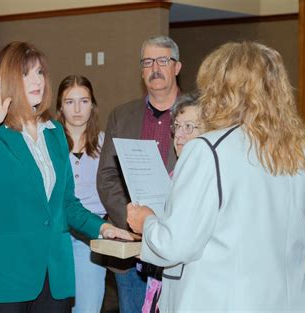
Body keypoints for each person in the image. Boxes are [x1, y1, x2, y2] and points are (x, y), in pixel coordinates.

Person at [127, 41, 305, 312]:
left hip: (223, 300)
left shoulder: (208, 150)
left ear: (221, 89)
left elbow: (176, 243)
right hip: (288, 301)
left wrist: (146, 221)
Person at [0, 41, 132, 313]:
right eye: (26, 74)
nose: (37, 80)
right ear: (8, 80)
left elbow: (66, 204)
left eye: (39, 72)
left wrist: (103, 228)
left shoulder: (55, 133)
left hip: (54, 273)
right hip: (6, 276)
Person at [97, 35, 183, 313]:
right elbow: (107, 177)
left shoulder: (200, 115)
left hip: (179, 250)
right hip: (133, 250)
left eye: (162, 60)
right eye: (147, 62)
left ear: (177, 67)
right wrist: (134, 221)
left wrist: (164, 223)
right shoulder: (121, 116)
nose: (155, 68)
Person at [142, 93, 203, 313]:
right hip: (161, 279)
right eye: (177, 126)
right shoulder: (170, 175)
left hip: (192, 288)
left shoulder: (205, 179)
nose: (180, 135)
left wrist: (146, 222)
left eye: (190, 127)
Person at [55, 75, 107, 313]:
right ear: (59, 107)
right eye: (69, 102)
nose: (77, 109)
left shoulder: (105, 143)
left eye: (83, 101)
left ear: (93, 105)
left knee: (87, 308)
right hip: (57, 235)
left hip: (91, 236)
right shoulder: (48, 142)